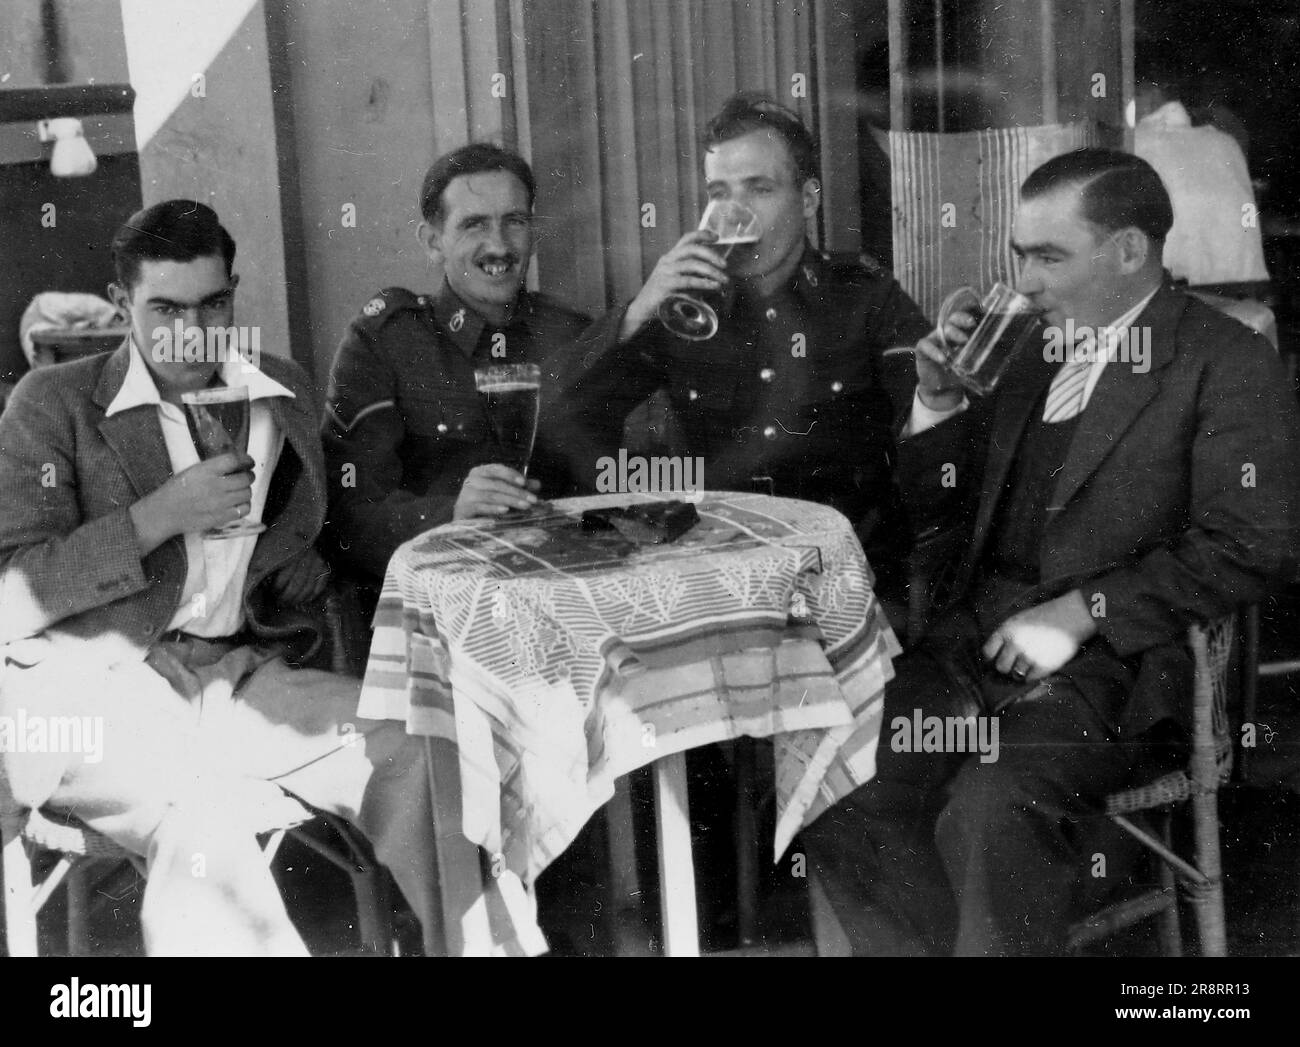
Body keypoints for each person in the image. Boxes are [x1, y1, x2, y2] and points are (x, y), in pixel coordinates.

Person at [801, 148, 1300, 955]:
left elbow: (1256, 543)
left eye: (1049, 256)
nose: (1025, 280)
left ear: (1130, 251)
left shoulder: (1226, 359)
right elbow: (938, 517)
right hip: (975, 644)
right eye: (1018, 255)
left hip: (1122, 668)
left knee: (991, 808)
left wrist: (1084, 610)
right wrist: (937, 399)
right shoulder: (1027, 350)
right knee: (834, 775)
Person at [0, 200, 443, 956]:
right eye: (164, 308)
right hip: (100, 688)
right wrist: (156, 517)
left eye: (213, 303)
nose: (193, 331)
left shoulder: (280, 390)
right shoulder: (55, 403)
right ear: (121, 306)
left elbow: (314, 518)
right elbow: (14, 591)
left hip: (240, 675)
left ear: (233, 292)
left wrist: (298, 557)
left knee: (420, 747)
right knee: (201, 816)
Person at [557, 92, 931, 567]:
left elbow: (933, 436)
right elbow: (562, 415)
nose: (738, 213)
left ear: (809, 197)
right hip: (718, 564)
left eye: (760, 189)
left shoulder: (865, 299)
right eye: (720, 194)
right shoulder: (687, 307)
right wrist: (638, 310)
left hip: (840, 564)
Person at [321, 143, 591, 587]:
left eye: (515, 222)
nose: (499, 246)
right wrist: (451, 513)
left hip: (565, 586)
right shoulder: (386, 342)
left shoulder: (571, 332)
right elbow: (347, 514)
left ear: (533, 234)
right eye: (474, 225)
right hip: (441, 600)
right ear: (433, 242)